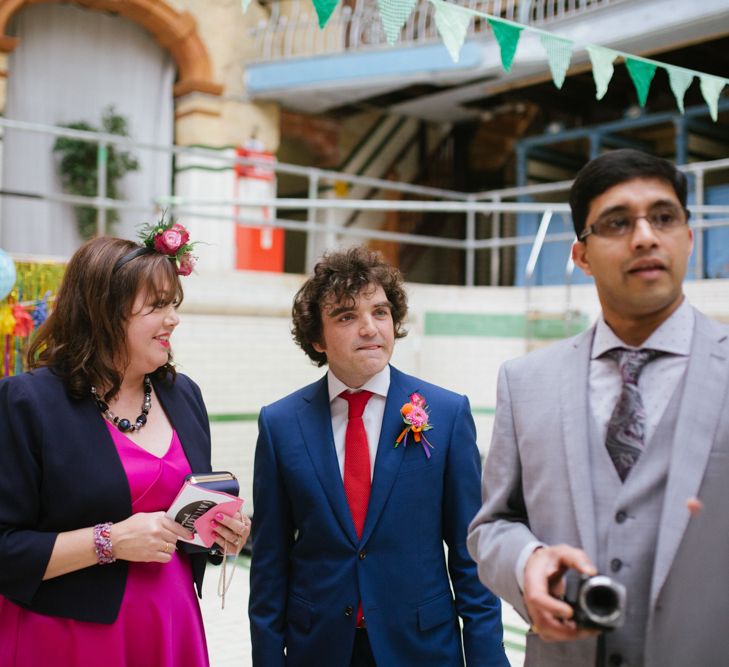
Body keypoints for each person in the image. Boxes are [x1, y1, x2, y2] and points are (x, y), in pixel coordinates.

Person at [467, 148, 729, 666]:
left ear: (689, 238)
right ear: (581, 255)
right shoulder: (525, 383)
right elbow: (492, 525)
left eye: (663, 217)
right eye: (616, 222)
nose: (645, 236)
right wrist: (528, 562)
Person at [0, 228, 250, 666]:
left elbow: (184, 520)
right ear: (104, 311)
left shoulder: (183, 393)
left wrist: (218, 534)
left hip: (170, 624)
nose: (173, 318)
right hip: (69, 637)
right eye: (157, 305)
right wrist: (109, 541)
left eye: (174, 304)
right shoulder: (27, 403)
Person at [249, 246, 508, 667]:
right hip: (318, 647)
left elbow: (470, 554)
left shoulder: (446, 413)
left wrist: (487, 660)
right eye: (347, 316)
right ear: (317, 338)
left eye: (380, 312)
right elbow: (269, 564)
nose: (369, 328)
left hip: (420, 646)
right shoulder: (280, 425)